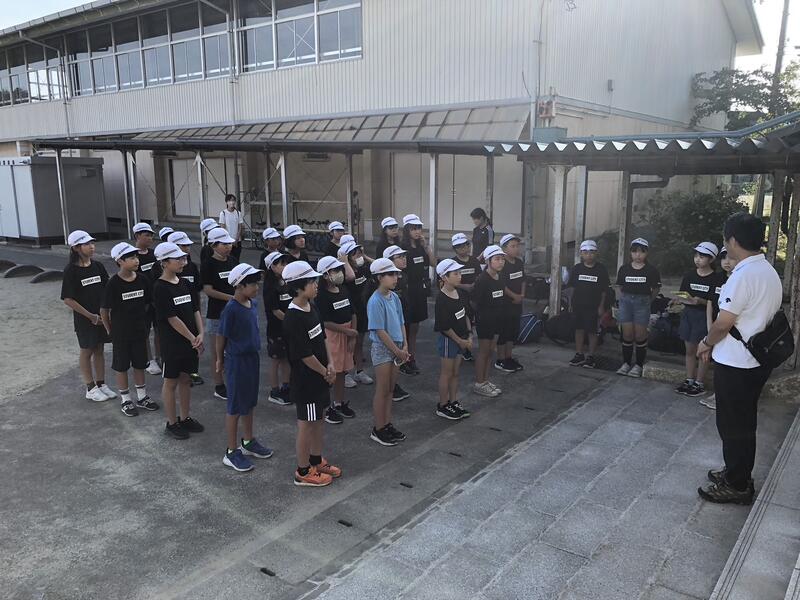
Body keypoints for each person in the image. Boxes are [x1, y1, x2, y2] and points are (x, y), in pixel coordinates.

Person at [696, 212, 782, 504]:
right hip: (756, 361)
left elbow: (723, 323)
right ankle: (737, 472)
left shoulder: (743, 276)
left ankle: (737, 484)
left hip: (737, 363)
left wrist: (705, 343)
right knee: (743, 422)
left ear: (732, 240)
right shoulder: (767, 271)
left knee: (733, 425)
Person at [282, 260, 343, 487]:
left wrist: (331, 364)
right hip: (306, 381)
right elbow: (305, 355)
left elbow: (323, 337)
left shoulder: (312, 307)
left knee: (318, 421)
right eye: (311, 282)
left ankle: (316, 460)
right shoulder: (293, 318)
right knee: (306, 424)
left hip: (321, 376)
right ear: (298, 287)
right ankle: (303, 470)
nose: (316, 285)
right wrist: (325, 371)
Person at [217, 263, 274, 472]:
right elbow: (221, 335)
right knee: (235, 406)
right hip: (237, 361)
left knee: (249, 402)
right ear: (239, 286)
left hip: (252, 359)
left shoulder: (253, 303)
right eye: (252, 284)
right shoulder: (231, 309)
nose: (257, 288)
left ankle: (248, 441)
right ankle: (231, 451)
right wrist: (219, 359)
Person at [152, 242, 205, 440]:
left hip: (191, 341)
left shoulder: (185, 283)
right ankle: (172, 422)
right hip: (173, 344)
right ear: (164, 262)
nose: (184, 262)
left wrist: (201, 334)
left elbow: (195, 310)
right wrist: (193, 338)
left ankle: (185, 417)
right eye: (178, 259)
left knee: (186, 379)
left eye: (184, 258)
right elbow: (172, 319)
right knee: (171, 381)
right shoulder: (160, 287)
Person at [101, 242, 159, 417]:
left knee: (140, 364)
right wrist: (110, 330)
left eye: (136, 257)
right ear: (120, 261)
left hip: (139, 331)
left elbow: (148, 303)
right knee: (122, 366)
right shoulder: (113, 283)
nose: (136, 260)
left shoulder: (143, 279)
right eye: (131, 258)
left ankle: (142, 397)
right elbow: (104, 310)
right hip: (121, 333)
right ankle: (125, 400)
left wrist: (143, 323)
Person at [61, 230, 115, 402]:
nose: (92, 247)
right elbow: (68, 299)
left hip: (101, 316)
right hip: (85, 319)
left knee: (99, 348)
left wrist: (106, 312)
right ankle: (90, 388)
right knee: (87, 350)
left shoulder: (98, 266)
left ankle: (101, 384)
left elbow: (107, 289)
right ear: (76, 248)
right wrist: (90, 316)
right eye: (86, 244)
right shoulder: (71, 270)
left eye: (92, 243)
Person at [672, 242, 724, 397]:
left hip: (704, 317)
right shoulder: (689, 275)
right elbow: (682, 293)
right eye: (696, 255)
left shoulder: (716, 279)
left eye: (702, 256)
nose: (697, 259)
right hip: (688, 315)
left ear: (711, 259)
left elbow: (715, 301)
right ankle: (689, 379)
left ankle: (699, 383)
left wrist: (700, 301)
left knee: (703, 351)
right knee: (689, 350)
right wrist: (679, 300)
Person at [367, 258, 409, 446]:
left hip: (397, 347)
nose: (395, 278)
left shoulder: (394, 297)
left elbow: (401, 322)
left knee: (391, 389)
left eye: (396, 274)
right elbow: (379, 331)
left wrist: (405, 345)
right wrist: (397, 351)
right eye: (390, 274)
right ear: (379, 277)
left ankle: (387, 423)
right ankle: (378, 428)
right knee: (382, 389)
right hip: (384, 349)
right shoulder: (375, 300)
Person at [316, 256, 358, 424]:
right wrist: (347, 331)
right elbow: (325, 322)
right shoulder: (321, 295)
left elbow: (353, 312)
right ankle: (326, 408)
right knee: (331, 372)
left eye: (340, 269)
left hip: (347, 334)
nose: (339, 273)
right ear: (325, 275)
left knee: (342, 372)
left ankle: (338, 403)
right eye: (335, 270)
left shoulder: (343, 290)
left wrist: (352, 335)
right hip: (333, 336)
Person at [201, 227, 239, 401]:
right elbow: (208, 290)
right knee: (217, 352)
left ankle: (233, 381)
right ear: (213, 246)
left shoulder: (233, 261)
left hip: (234, 311)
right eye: (224, 244)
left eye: (229, 243)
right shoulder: (208, 264)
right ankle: (219, 385)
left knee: (234, 349)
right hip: (217, 313)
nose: (228, 247)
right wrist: (231, 298)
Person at [615, 238, 661, 378]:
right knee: (627, 334)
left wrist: (648, 300)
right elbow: (619, 286)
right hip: (626, 303)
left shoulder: (651, 270)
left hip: (642, 303)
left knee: (640, 335)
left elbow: (656, 288)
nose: (638, 255)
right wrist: (622, 300)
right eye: (635, 251)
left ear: (647, 253)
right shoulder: (624, 269)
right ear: (630, 253)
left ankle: (639, 365)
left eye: (642, 252)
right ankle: (626, 363)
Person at [433, 259, 472, 420]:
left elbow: (466, 315)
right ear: (444, 277)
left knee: (455, 373)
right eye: (455, 274)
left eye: (459, 273)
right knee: (446, 373)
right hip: (449, 341)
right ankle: (443, 405)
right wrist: (460, 341)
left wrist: (469, 335)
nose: (459, 276)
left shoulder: (460, 293)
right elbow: (444, 326)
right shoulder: (441, 299)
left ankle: (454, 401)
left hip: (462, 338)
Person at [700, 247, 738, 410]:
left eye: (731, 258)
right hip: (715, 328)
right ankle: (717, 394)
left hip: (730, 329)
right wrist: (710, 328)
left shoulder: (739, 279)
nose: (727, 262)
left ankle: (725, 396)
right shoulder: (717, 279)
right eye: (723, 258)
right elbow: (710, 303)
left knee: (728, 363)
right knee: (717, 362)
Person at [166, 231, 204, 386]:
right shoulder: (163, 273)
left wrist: (198, 314)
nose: (187, 248)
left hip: (190, 313)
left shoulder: (192, 266)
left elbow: (197, 292)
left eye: (188, 245)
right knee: (173, 377)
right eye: (183, 245)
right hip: (174, 319)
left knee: (193, 348)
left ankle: (193, 372)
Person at [400, 214, 435, 374]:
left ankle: (411, 357)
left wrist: (427, 247)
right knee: (406, 327)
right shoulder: (403, 248)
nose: (417, 231)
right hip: (408, 290)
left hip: (420, 290)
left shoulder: (421, 247)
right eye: (414, 228)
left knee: (415, 327)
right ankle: (403, 360)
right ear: (407, 230)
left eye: (419, 228)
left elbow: (433, 263)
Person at [567, 240, 610, 369]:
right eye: (585, 252)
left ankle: (591, 356)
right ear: (581, 254)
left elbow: (604, 291)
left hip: (593, 306)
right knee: (579, 329)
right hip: (578, 305)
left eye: (591, 252)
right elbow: (572, 287)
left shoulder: (601, 269)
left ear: (596, 253)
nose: (588, 255)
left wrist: (601, 306)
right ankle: (579, 354)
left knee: (592, 331)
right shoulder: (577, 269)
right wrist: (570, 303)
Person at [336, 240, 374, 389]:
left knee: (359, 343)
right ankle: (345, 373)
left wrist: (364, 256)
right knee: (347, 345)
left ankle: (359, 371)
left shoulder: (363, 269)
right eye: (355, 254)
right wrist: (345, 262)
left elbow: (376, 266)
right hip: (349, 312)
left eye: (359, 253)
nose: (359, 256)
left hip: (362, 311)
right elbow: (351, 277)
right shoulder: (343, 273)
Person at [472, 244, 506, 397]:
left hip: (497, 319)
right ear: (488, 261)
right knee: (483, 352)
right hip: (485, 320)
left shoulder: (500, 277)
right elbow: (475, 302)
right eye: (497, 259)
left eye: (502, 259)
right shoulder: (482, 280)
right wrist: (480, 318)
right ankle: (479, 383)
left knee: (491, 351)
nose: (500, 262)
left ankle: (485, 381)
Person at [382, 245, 412, 402]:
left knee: (398, 352)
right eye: (399, 257)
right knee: (389, 355)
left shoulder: (404, 275)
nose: (404, 259)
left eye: (404, 256)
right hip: (389, 322)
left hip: (401, 317)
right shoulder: (385, 284)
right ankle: (388, 387)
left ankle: (393, 384)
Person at [263, 251, 293, 405]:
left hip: (287, 327)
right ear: (272, 267)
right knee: (276, 360)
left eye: (285, 263)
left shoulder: (286, 282)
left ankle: (286, 387)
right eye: (281, 264)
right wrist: (292, 321)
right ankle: (274, 391)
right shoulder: (270, 286)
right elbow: (275, 311)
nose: (285, 266)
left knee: (286, 358)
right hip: (276, 328)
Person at [132, 222, 162, 376]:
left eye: (151, 235)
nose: (150, 238)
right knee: (144, 330)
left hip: (156, 298)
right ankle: (149, 360)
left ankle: (159, 357)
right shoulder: (132, 256)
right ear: (137, 236)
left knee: (159, 329)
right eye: (147, 235)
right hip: (142, 300)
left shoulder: (154, 254)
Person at [496, 234, 526, 373]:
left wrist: (522, 295)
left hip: (517, 303)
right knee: (503, 332)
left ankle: (508, 357)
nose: (516, 249)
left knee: (512, 332)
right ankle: (500, 359)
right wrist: (514, 296)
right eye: (512, 246)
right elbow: (502, 285)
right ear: (504, 248)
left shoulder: (519, 262)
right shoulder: (502, 264)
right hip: (505, 304)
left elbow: (523, 280)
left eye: (517, 246)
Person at [451, 232, 481, 361]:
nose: (463, 248)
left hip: (473, 297)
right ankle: (460, 347)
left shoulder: (474, 261)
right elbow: (449, 282)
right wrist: (465, 286)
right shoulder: (452, 262)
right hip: (458, 297)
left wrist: (475, 286)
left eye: (465, 245)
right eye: (459, 246)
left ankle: (467, 347)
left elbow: (479, 275)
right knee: (460, 323)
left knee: (471, 323)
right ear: (455, 249)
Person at [219, 194, 244, 261]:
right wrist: (228, 240)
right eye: (229, 200)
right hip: (227, 242)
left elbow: (240, 227)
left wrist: (236, 239)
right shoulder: (223, 213)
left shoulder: (238, 213)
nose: (232, 202)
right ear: (226, 202)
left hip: (237, 241)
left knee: (236, 259)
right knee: (228, 259)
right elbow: (222, 228)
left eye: (233, 200)